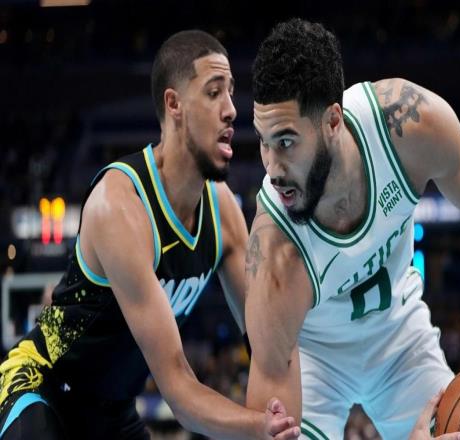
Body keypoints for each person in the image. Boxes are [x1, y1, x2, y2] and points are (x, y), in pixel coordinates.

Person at [0, 30, 300, 440]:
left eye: (231, 92)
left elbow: (268, 343)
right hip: (41, 385)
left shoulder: (224, 213)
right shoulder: (120, 205)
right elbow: (178, 388)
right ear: (174, 104)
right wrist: (260, 426)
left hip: (112, 411)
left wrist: (286, 418)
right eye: (214, 92)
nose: (231, 109)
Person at [245, 18, 460, 440]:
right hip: (314, 363)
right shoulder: (275, 257)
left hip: (401, 340)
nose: (272, 168)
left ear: (333, 121)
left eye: (286, 142)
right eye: (263, 141)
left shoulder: (408, 126)